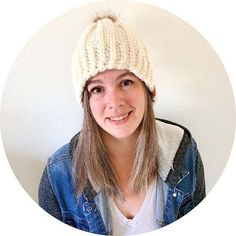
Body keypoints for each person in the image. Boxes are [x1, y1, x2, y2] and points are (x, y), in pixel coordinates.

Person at [38, 12, 205, 235]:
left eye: (126, 82)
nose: (114, 103)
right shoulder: (58, 175)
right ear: (85, 102)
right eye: (97, 89)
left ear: (148, 88)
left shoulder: (183, 152)